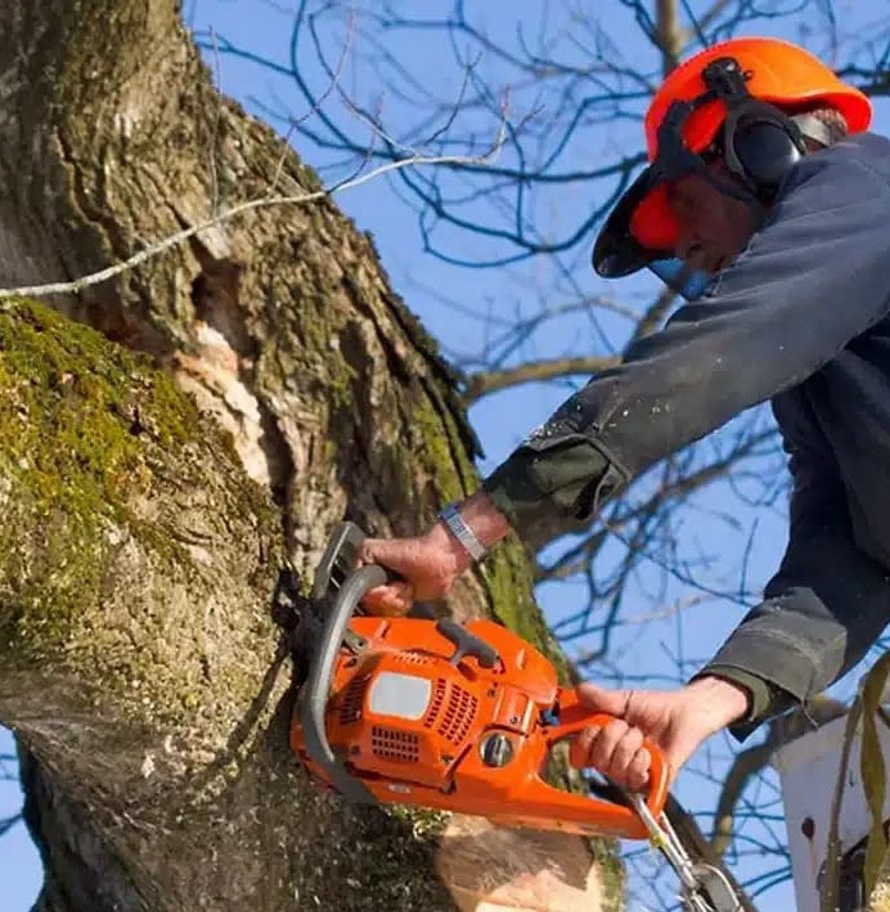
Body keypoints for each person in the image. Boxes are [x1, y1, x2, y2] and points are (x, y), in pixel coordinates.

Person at [358, 36, 890, 792]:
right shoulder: (829, 362)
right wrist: (709, 702)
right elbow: (851, 560)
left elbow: (719, 350)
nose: (692, 250)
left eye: (685, 203)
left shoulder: (866, 187)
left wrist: (461, 535)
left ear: (755, 144)